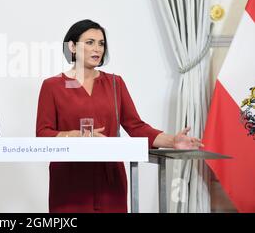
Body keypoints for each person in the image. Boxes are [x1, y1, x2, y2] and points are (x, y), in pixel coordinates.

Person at [35, 19, 203, 213]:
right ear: (72, 46)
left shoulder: (115, 84)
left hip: (111, 181)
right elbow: (43, 134)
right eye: (89, 42)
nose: (97, 48)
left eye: (101, 43)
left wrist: (172, 140)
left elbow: (136, 127)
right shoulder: (52, 86)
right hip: (69, 180)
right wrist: (75, 136)